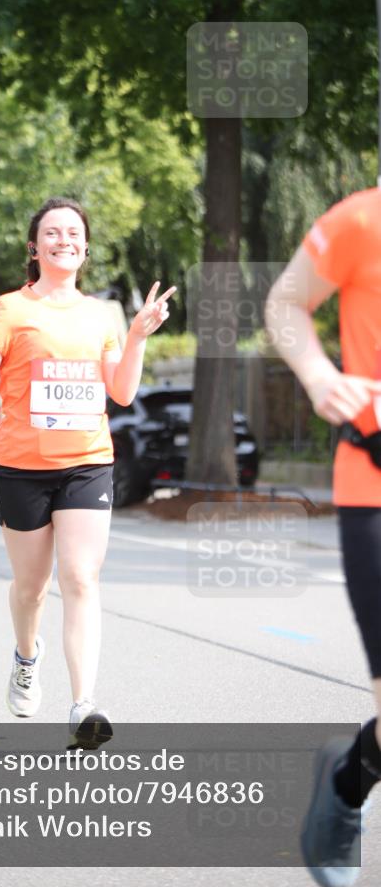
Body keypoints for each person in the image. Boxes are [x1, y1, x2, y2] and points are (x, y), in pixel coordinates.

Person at [0, 196, 176, 747]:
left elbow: (121, 391)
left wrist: (137, 337)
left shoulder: (102, 315)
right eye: (52, 232)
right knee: (32, 587)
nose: (64, 240)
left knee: (81, 577)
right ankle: (26, 657)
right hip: (20, 467)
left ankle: (84, 705)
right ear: (34, 248)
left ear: (85, 247)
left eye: (74, 233)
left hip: (87, 462)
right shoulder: (8, 309)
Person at [265, 187, 381, 886]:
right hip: (375, 483)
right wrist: (316, 374)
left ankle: (350, 775)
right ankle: (344, 784)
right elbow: (285, 302)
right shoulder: (362, 219)